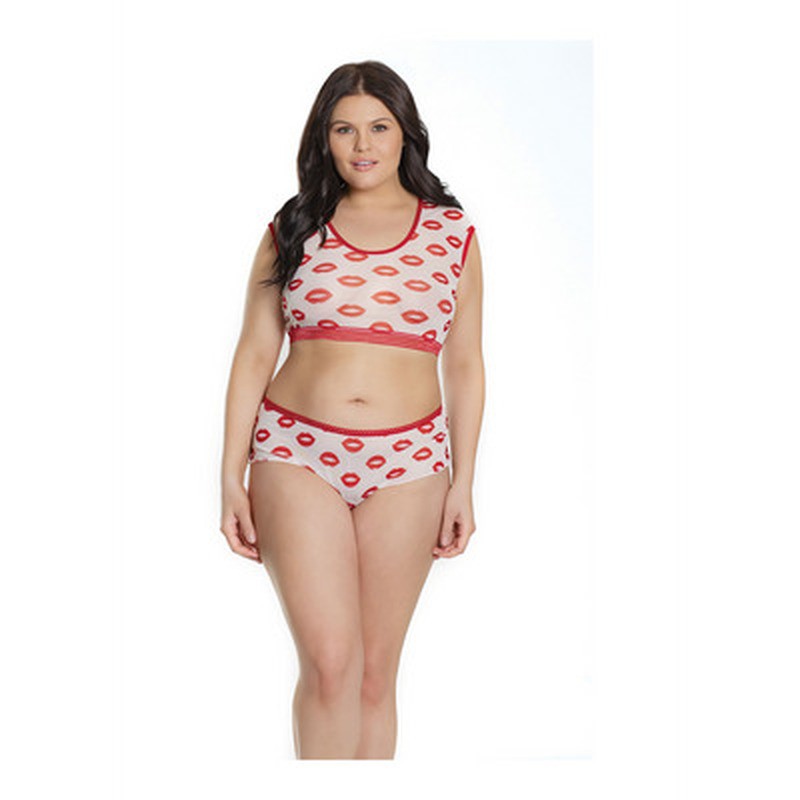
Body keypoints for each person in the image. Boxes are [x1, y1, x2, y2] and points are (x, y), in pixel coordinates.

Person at [219, 60, 485, 759]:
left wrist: (464, 482)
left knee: (374, 676)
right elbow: (254, 352)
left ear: (405, 135)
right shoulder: (293, 226)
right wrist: (228, 478)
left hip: (411, 463)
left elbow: (464, 362)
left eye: (378, 127)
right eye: (344, 129)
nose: (362, 145)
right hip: (295, 452)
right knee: (331, 664)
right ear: (324, 138)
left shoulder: (452, 233)